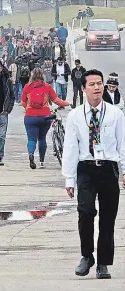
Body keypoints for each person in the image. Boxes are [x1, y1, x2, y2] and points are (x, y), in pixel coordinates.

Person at [62, 69, 125, 280]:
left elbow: (122, 145)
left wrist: (124, 171)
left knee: (108, 218)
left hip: (109, 168)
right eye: (92, 84)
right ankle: (87, 256)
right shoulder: (75, 116)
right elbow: (70, 148)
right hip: (85, 168)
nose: (97, 88)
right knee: (86, 212)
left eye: (100, 83)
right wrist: (69, 179)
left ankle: (104, 263)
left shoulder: (116, 114)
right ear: (83, 89)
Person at [21, 68, 69, 169]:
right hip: (45, 117)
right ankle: (42, 161)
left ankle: (31, 154)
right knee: (42, 138)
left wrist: (28, 109)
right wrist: (66, 103)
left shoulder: (27, 87)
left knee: (31, 139)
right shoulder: (47, 87)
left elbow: (23, 102)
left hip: (30, 117)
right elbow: (56, 100)